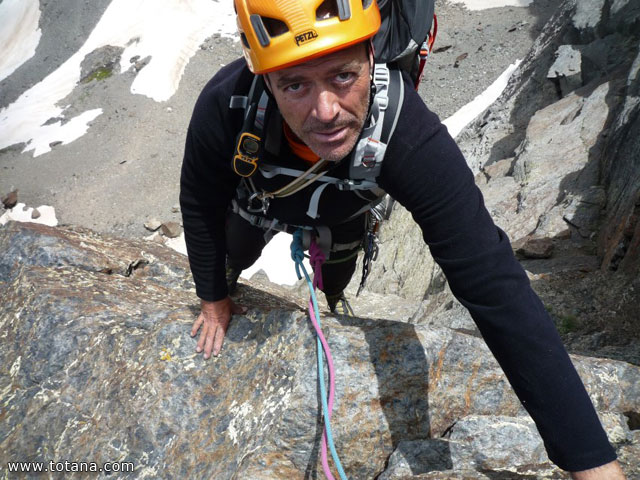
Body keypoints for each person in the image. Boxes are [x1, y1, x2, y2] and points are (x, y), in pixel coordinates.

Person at [179, 0, 626, 477]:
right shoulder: (228, 103)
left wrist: (591, 462)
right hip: (261, 199)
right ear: (265, 80)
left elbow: (492, 283)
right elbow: (200, 200)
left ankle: (333, 298)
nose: (325, 110)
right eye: (295, 84)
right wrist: (213, 298)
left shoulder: (404, 130)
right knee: (236, 254)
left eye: (342, 77)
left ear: (372, 55)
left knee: (339, 265)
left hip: (337, 209)